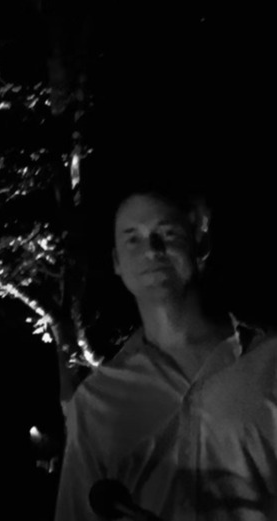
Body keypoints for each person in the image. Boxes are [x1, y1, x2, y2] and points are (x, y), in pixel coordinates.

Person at [54, 181, 277, 520]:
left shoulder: (270, 362)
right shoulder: (95, 404)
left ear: (200, 243)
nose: (152, 249)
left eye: (167, 233)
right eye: (133, 238)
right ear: (116, 261)